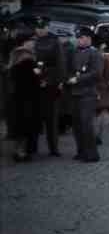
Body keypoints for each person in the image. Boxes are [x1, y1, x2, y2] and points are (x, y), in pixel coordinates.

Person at [65, 27, 103, 162]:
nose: (79, 40)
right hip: (75, 92)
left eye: (81, 38)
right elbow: (69, 68)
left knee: (86, 124)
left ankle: (92, 154)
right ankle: (81, 151)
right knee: (76, 125)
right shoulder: (74, 52)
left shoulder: (95, 53)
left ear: (88, 38)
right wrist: (69, 77)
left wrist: (78, 79)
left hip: (88, 93)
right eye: (78, 38)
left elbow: (97, 73)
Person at [33, 16, 66, 157]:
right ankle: (32, 147)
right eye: (38, 27)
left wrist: (53, 80)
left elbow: (60, 64)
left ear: (47, 27)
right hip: (34, 84)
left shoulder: (54, 41)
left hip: (50, 84)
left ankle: (53, 147)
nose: (40, 30)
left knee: (51, 118)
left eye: (42, 27)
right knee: (34, 117)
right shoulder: (32, 42)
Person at [8, 33, 39, 162]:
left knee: (19, 125)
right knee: (25, 125)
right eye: (32, 40)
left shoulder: (15, 55)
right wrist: (37, 74)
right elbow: (28, 80)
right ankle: (21, 153)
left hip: (16, 96)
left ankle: (17, 151)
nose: (34, 43)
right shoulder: (26, 58)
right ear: (25, 42)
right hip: (26, 97)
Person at [95, 37, 109, 146]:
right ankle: (98, 136)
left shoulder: (90, 56)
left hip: (91, 88)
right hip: (103, 89)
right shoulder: (104, 59)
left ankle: (92, 135)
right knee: (102, 113)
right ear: (102, 46)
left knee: (93, 114)